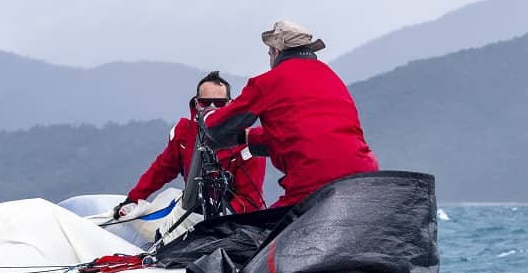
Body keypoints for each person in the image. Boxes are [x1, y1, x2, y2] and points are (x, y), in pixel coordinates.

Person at [200, 21, 378, 212]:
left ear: (276, 52)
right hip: (366, 176)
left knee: (268, 229)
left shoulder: (267, 82)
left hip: (314, 184)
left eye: (269, 53)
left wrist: (207, 113)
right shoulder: (331, 76)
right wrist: (248, 137)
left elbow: (217, 128)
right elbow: (306, 134)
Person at [116, 71, 266, 219]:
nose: (211, 107)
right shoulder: (183, 133)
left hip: (233, 221)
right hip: (192, 212)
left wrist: (219, 219)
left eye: (219, 103)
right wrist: (133, 198)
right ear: (196, 103)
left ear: (230, 104)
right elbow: (161, 170)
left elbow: (250, 200)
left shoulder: (246, 142)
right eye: (205, 102)